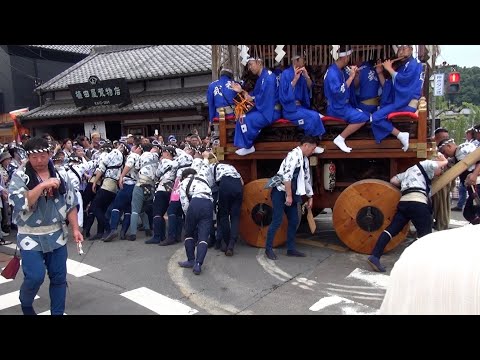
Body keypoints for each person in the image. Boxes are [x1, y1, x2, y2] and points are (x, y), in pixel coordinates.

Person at [8, 137, 83, 315]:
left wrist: (75, 229)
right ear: (27, 157)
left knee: (58, 278)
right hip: (29, 235)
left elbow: (71, 203)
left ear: (49, 154)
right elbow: (20, 203)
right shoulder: (20, 177)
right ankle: (26, 303)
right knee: (35, 276)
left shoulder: (61, 174)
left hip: (56, 233)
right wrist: (42, 185)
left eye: (43, 156)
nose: (39, 161)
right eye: (34, 158)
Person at [367, 155, 448, 272]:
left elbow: (393, 180)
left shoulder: (408, 172)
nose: (440, 172)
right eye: (441, 169)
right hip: (418, 203)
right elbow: (435, 164)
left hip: (404, 202)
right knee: (425, 236)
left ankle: (375, 256)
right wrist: (444, 160)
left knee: (390, 231)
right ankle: (419, 264)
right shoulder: (426, 164)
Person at [379, 225, 480, 314]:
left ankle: (375, 254)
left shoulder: (422, 247)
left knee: (392, 229)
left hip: (405, 207)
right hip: (420, 207)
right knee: (424, 229)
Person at [264, 135, 318, 260]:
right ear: (306, 145)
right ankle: (268, 248)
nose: (313, 151)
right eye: (313, 148)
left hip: (293, 192)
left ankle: (291, 249)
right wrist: (288, 196)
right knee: (277, 220)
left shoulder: (304, 159)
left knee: (294, 220)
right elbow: (287, 177)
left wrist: (310, 197)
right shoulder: (293, 156)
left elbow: (306, 179)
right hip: (281, 191)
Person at [371, 45, 423, 152]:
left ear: (411, 49)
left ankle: (400, 135)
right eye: (399, 49)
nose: (401, 51)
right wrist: (380, 72)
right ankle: (398, 135)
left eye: (405, 48)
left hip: (406, 103)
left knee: (376, 117)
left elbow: (404, 82)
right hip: (401, 101)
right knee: (377, 115)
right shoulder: (401, 66)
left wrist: (389, 69)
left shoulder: (414, 64)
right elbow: (388, 87)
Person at [323, 45, 370, 153]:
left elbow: (353, 86)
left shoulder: (341, 70)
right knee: (363, 117)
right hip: (336, 107)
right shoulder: (332, 72)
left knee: (367, 114)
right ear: (344, 58)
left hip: (343, 106)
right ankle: (340, 138)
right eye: (348, 57)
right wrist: (351, 77)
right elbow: (339, 92)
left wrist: (355, 75)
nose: (349, 59)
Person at [231, 58, 281, 156]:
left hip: (271, 111)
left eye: (251, 64)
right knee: (241, 116)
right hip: (265, 109)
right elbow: (254, 95)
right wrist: (242, 91)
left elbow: (265, 98)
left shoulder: (269, 78)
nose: (250, 68)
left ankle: (248, 146)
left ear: (259, 63)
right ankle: (244, 145)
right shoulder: (262, 78)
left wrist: (251, 98)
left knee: (244, 119)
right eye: (249, 65)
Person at [279, 54, 325, 154]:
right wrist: (295, 79)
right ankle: (310, 147)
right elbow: (283, 95)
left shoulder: (302, 73)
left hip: (300, 107)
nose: (304, 62)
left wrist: (306, 76)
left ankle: (314, 144)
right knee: (311, 118)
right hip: (290, 109)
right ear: (296, 61)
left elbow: (309, 87)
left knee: (315, 116)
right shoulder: (285, 74)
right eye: (303, 60)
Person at [177, 168, 213, 275]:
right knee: (203, 237)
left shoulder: (183, 183)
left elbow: (185, 204)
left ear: (184, 176)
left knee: (189, 234)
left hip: (195, 203)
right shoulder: (203, 178)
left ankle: (191, 260)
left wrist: (189, 217)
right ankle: (198, 264)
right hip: (208, 203)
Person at [437, 138, 480, 224]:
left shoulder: (464, 148)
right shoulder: (456, 156)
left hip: (477, 184)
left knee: (472, 212)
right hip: (472, 187)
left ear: (449, 146)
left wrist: (474, 174)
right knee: (469, 213)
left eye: (444, 152)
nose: (446, 155)